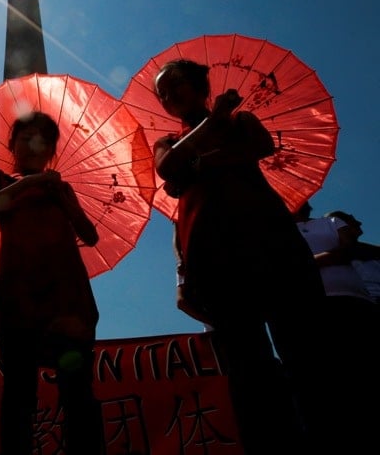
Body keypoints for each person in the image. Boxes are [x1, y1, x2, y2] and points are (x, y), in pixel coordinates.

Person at [152, 59, 329, 454]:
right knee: (248, 368)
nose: (168, 96)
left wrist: (199, 161)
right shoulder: (168, 141)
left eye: (175, 84)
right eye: (161, 93)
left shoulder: (241, 120)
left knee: (306, 356)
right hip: (213, 260)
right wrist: (211, 129)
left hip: (274, 245)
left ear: (200, 85)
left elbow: (259, 147)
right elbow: (167, 166)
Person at [0, 111, 103, 454]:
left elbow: (89, 235)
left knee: (77, 391)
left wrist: (61, 196)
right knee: (18, 393)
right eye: (25, 138)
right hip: (18, 296)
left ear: (51, 151)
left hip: (66, 297)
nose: (33, 146)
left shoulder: (62, 188)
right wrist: (27, 183)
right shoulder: (0, 180)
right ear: (12, 144)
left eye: (43, 141)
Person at [296, 208, 379, 453]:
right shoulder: (279, 233)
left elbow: (348, 249)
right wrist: (325, 258)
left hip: (354, 301)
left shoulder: (331, 221)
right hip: (314, 308)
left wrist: (309, 263)